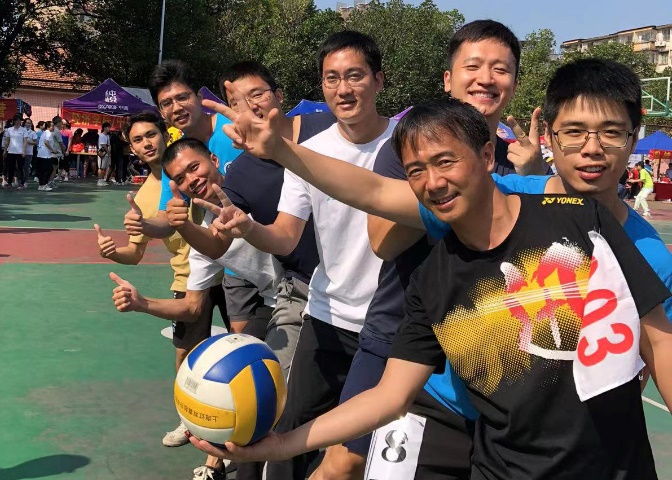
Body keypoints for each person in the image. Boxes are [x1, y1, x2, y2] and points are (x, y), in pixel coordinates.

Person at [191, 95, 672, 480]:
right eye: (416, 171)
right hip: (505, 468)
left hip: (610, 466)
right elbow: (388, 397)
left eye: (446, 162)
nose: (434, 182)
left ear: (487, 156)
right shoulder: (432, 281)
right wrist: (282, 444)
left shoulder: (580, 221)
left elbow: (659, 342)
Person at [199, 31, 394, 480]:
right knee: (290, 434)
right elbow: (286, 238)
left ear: (379, 80)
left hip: (390, 322)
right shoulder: (308, 153)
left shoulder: (404, 143)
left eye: (355, 76)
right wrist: (249, 227)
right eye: (331, 79)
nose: (343, 89)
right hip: (328, 314)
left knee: (358, 454)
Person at [112, 138, 281, 480]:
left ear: (214, 160)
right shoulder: (203, 238)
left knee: (290, 395)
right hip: (275, 301)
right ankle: (217, 466)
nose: (192, 179)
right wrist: (142, 303)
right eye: (181, 178)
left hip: (311, 291)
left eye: (195, 167)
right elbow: (192, 307)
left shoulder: (259, 187)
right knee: (242, 372)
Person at [2, 114, 27, 188]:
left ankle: (22, 183)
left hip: (20, 151)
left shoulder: (23, 130)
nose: (18, 122)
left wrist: (24, 151)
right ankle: (9, 182)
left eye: (19, 120)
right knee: (11, 167)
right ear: (14, 121)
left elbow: (25, 141)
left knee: (20, 167)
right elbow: (7, 140)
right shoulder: (9, 130)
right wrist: (5, 150)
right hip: (11, 151)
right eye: (17, 120)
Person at [36, 122, 55, 191]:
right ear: (48, 127)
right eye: (52, 126)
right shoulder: (48, 133)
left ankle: (41, 185)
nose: (53, 127)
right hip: (45, 155)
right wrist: (52, 150)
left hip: (40, 153)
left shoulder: (44, 133)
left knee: (41, 170)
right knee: (49, 169)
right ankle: (44, 184)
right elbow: (46, 142)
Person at [20, 118, 37, 189]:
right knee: (19, 167)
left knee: (26, 167)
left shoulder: (32, 132)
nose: (28, 124)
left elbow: (35, 142)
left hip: (29, 152)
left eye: (29, 123)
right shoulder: (20, 130)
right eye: (27, 123)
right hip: (19, 151)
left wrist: (28, 142)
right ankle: (19, 180)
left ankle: (26, 181)